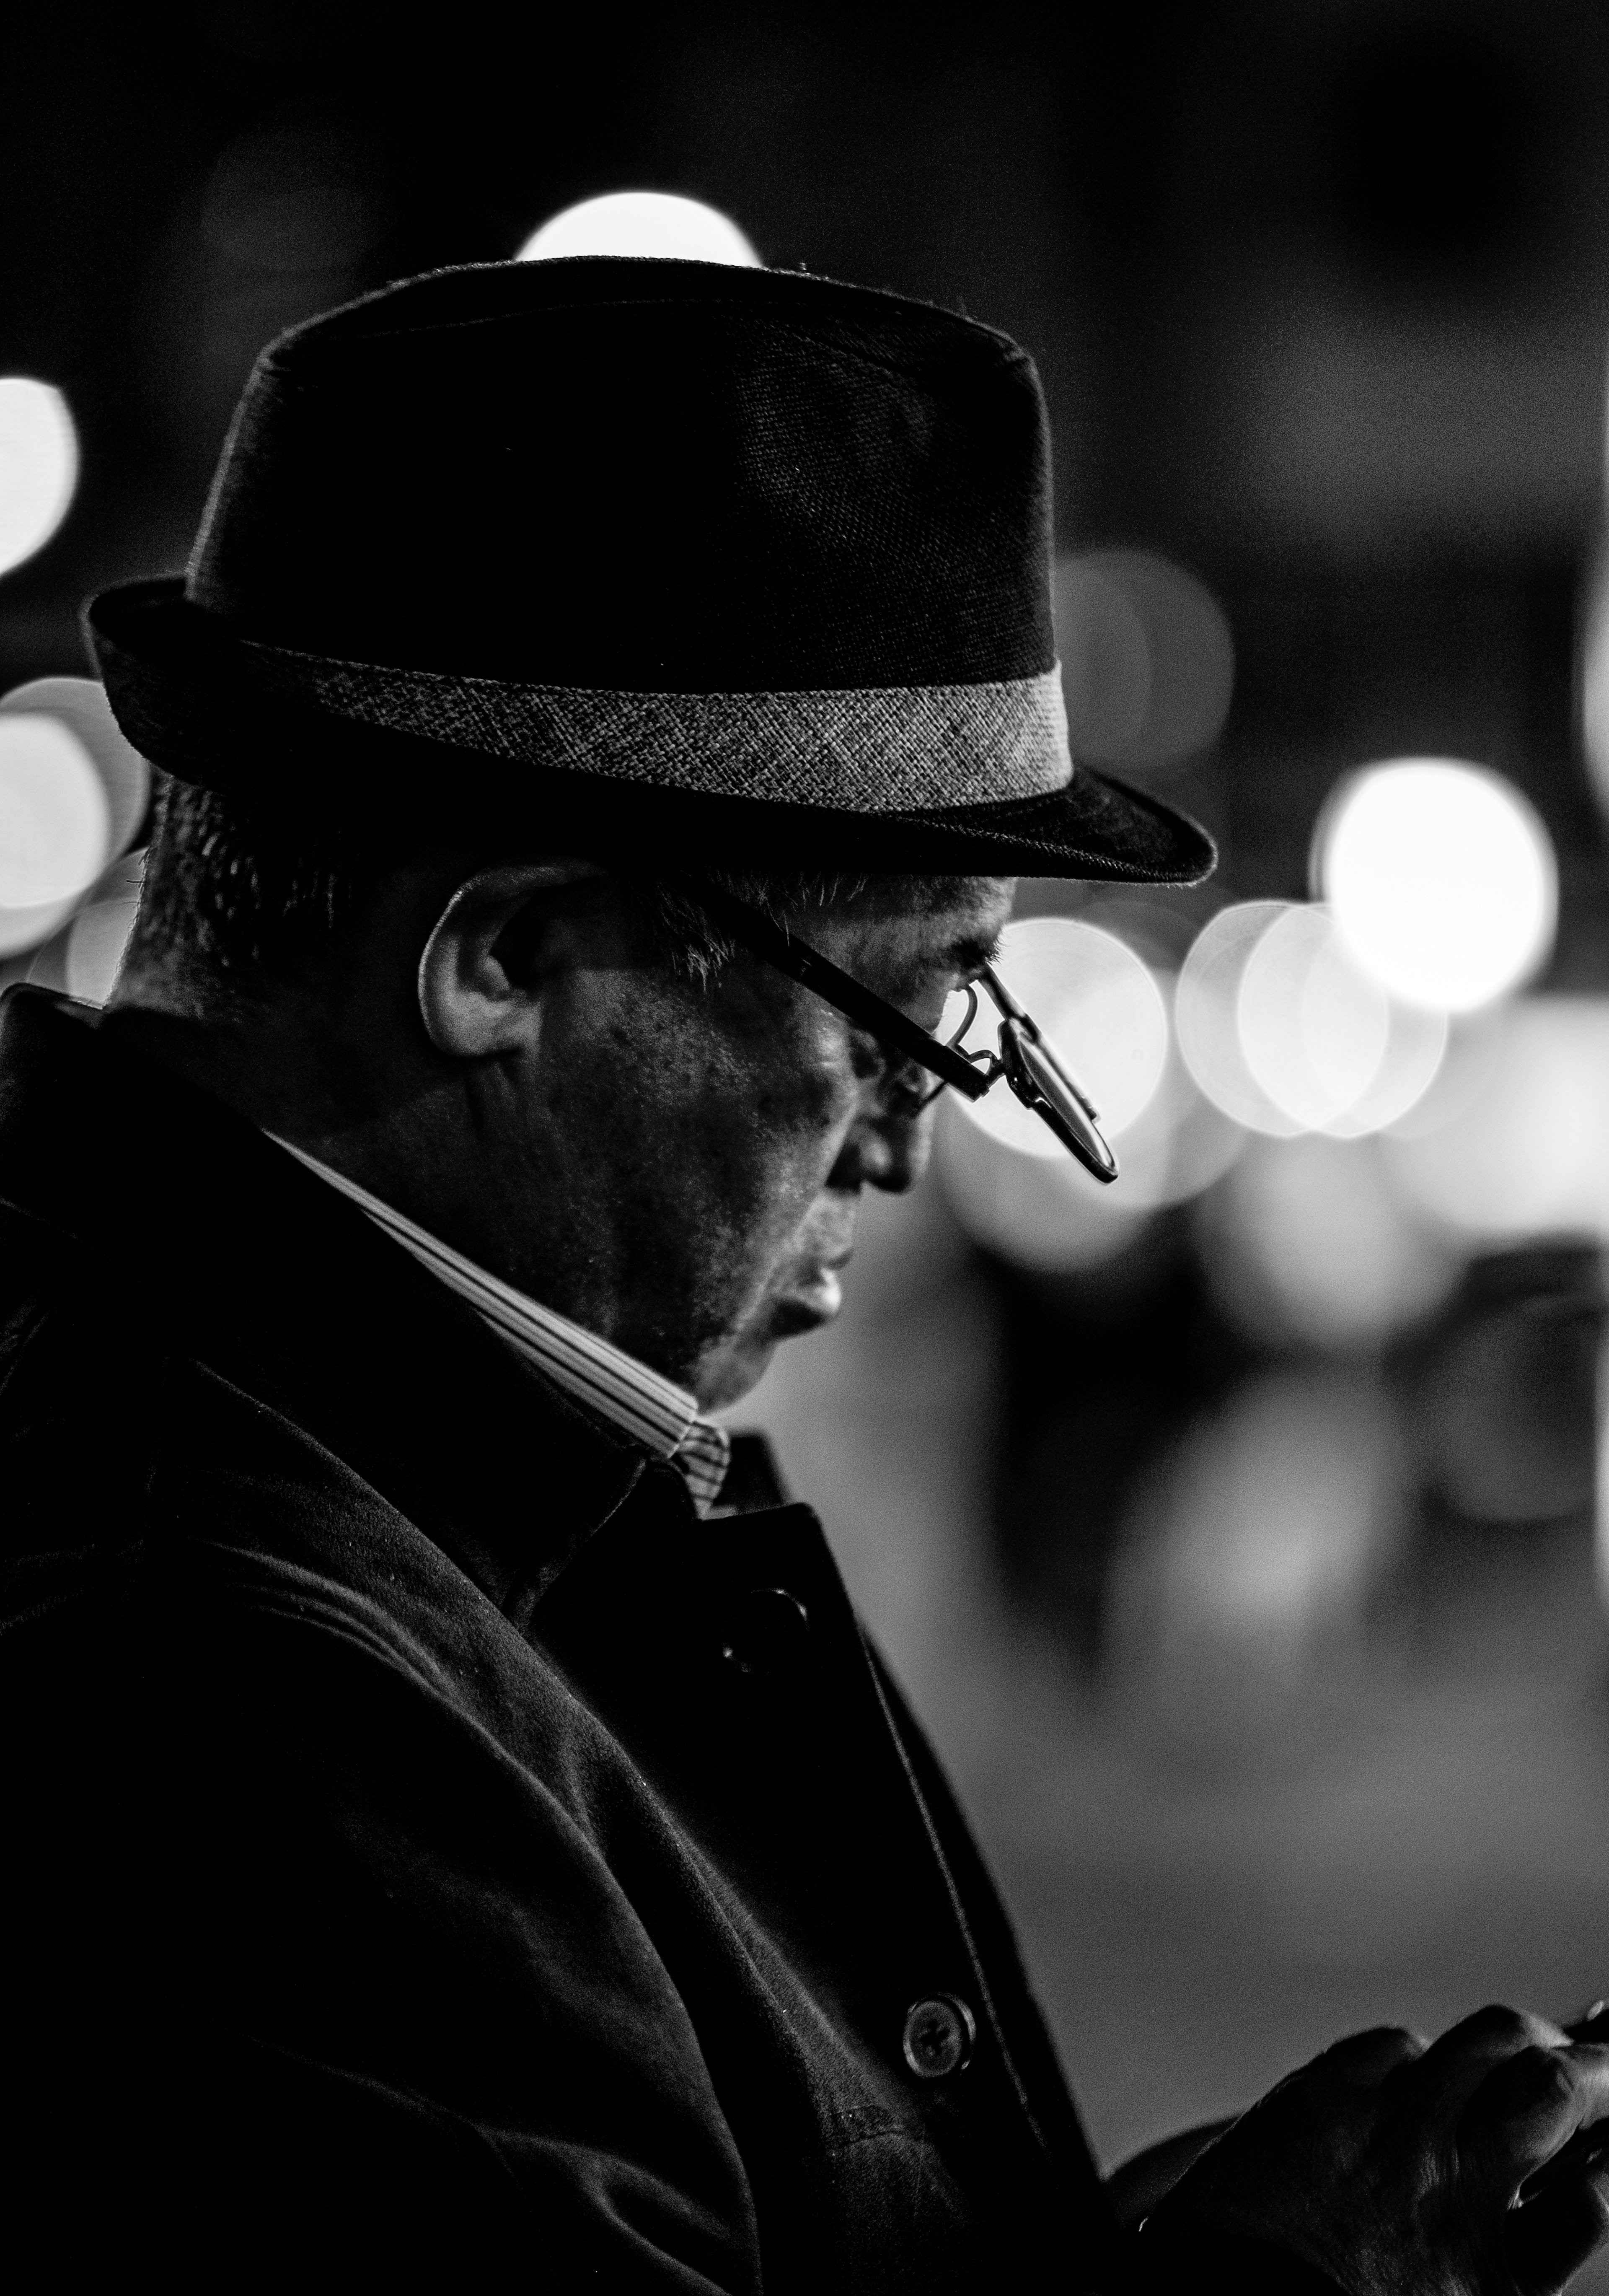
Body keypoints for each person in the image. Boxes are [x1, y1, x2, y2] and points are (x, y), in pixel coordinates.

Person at [2, 255, 1606, 2291]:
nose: (917, 1140)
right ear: (506, 956)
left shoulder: (342, 1488)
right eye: (909, 1012)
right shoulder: (215, 1680)